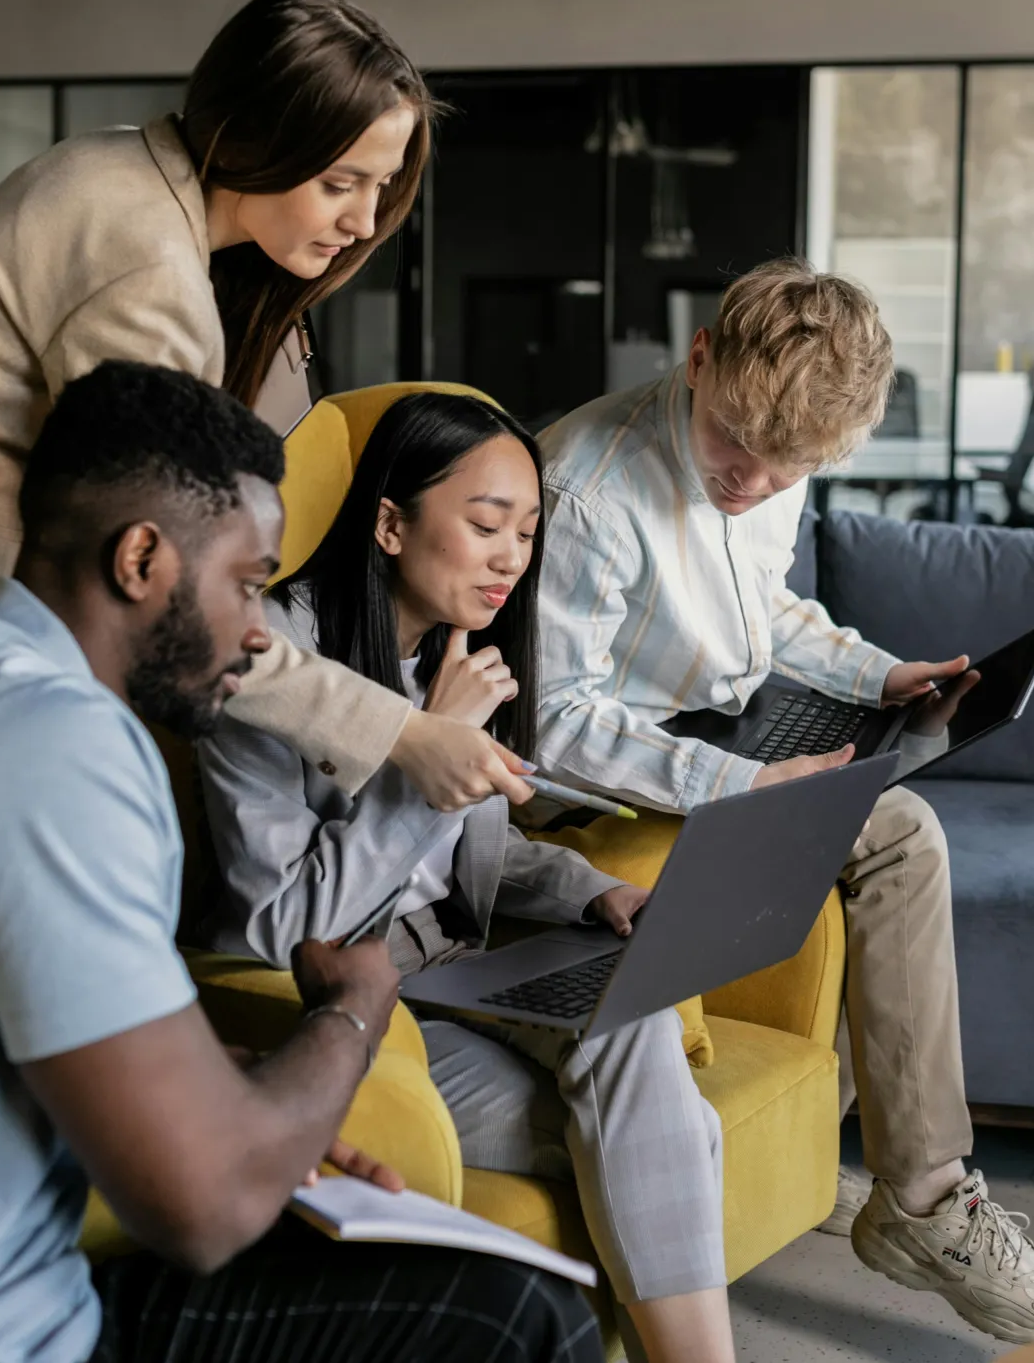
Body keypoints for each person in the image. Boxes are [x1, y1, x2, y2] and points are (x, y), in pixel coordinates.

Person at [0, 360, 603, 1363]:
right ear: (141, 558)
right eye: (246, 584)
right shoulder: (51, 747)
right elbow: (204, 1208)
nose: (260, 634)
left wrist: (244, 1091)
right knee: (514, 1319)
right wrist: (351, 1014)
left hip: (3, 1285)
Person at [533, 257, 1034, 1346]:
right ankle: (922, 1200)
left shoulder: (778, 461)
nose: (755, 481)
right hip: (602, 787)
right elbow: (554, 725)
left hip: (720, 738)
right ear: (698, 361)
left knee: (893, 794)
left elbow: (764, 607)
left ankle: (905, 1184)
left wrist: (878, 675)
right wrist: (744, 781)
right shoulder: (584, 488)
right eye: (738, 445)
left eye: (791, 470)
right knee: (901, 828)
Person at [0, 0, 529, 818]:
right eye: (338, 183)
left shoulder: (123, 169)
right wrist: (405, 730)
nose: (365, 221)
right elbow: (178, 584)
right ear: (253, 139)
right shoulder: (147, 272)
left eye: (380, 185)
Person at [199, 391, 739, 1363]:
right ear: (391, 520)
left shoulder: (452, 652)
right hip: (358, 1007)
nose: (511, 556)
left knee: (633, 1016)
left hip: (457, 975)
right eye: (487, 523)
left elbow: (474, 851)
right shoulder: (277, 663)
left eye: (527, 531)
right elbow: (287, 927)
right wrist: (427, 761)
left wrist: (587, 888)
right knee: (673, 1128)